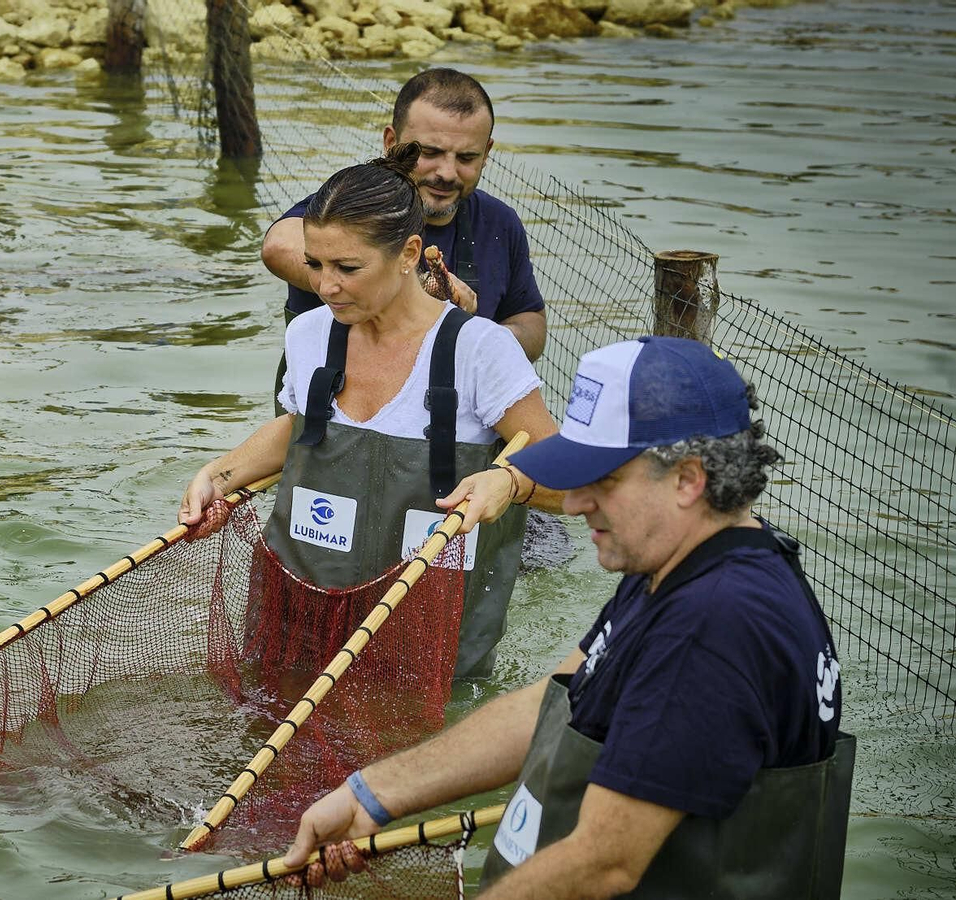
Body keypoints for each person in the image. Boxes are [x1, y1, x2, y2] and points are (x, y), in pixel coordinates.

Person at [284, 337, 854, 899]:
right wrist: (370, 794)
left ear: (688, 479)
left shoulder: (714, 624)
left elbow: (602, 864)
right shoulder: (687, 564)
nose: (576, 504)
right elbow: (555, 702)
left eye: (602, 481)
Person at [181, 142, 566, 683]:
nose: (324, 286)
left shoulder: (480, 350)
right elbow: (301, 430)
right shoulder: (309, 333)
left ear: (409, 254)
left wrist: (511, 484)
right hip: (302, 617)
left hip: (428, 648)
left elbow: (571, 483)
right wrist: (215, 477)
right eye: (314, 264)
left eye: (348, 267)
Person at [261, 67, 547, 414]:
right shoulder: (349, 204)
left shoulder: (502, 222)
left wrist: (475, 336)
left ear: (487, 152)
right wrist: (410, 293)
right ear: (391, 142)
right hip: (331, 414)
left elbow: (530, 323)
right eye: (429, 152)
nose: (446, 172)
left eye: (467, 158)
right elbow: (278, 246)